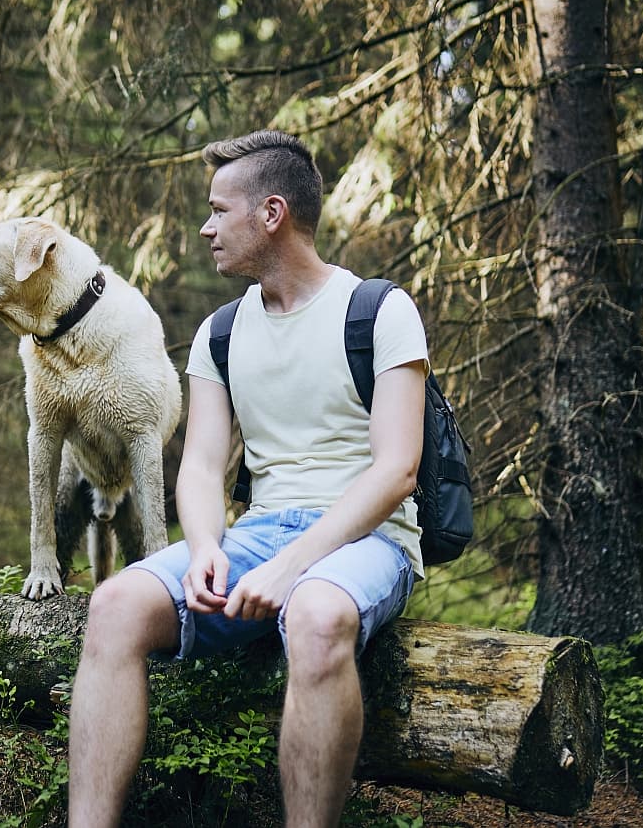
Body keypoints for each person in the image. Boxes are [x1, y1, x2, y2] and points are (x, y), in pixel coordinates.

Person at [66, 129, 430, 828]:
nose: (206, 228)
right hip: (260, 534)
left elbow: (396, 471)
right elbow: (201, 465)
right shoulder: (221, 333)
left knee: (317, 614)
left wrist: (295, 566)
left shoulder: (380, 311)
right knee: (113, 606)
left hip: (369, 538)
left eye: (217, 209)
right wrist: (206, 544)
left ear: (271, 214)